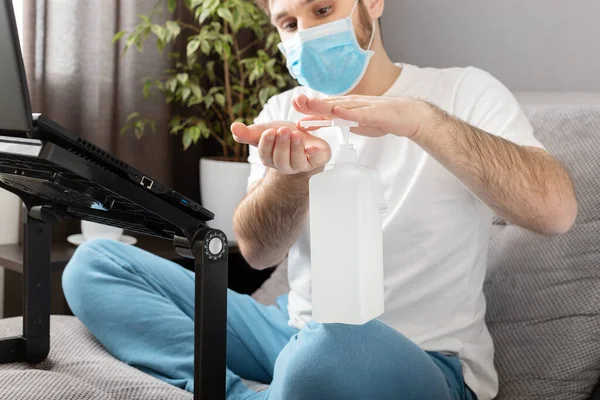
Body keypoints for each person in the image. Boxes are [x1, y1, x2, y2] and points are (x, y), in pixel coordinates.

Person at [62, 0, 578, 399]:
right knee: (95, 265)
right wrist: (293, 178)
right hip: (291, 329)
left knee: (326, 349)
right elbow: (259, 252)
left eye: (323, 9)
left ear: (370, 2)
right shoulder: (284, 110)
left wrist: (421, 122)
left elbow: (555, 212)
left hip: (423, 358)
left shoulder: (463, 92)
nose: (306, 33)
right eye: (288, 23)